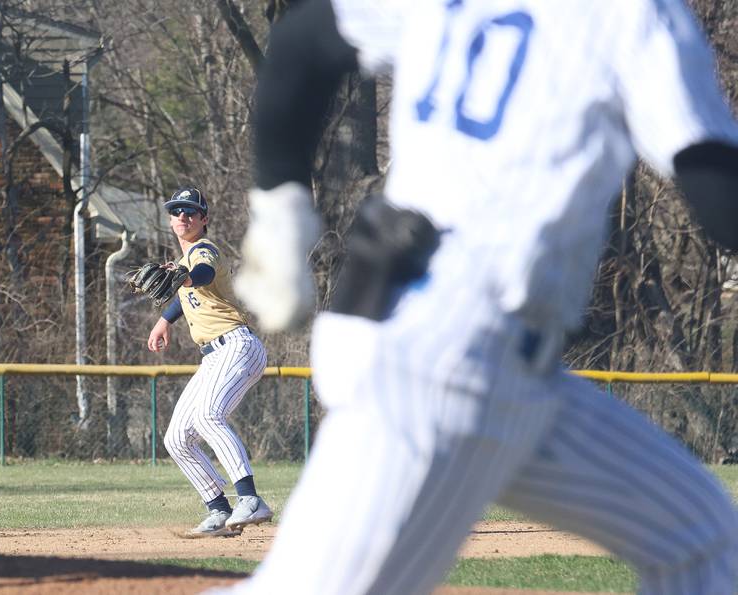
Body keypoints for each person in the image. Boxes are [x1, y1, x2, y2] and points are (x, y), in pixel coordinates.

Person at [226, 0, 738, 593]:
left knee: (705, 544)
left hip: (481, 356)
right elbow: (712, 179)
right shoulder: (632, 12)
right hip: (446, 364)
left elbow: (304, 40)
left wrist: (279, 208)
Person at [147, 186, 272, 537]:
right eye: (177, 212)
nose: (183, 217)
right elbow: (185, 292)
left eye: (190, 212)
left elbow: (201, 274)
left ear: (203, 219)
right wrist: (163, 321)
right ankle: (219, 509)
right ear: (170, 220)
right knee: (176, 438)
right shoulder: (184, 263)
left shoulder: (204, 250)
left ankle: (250, 499)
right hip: (214, 356)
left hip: (237, 345)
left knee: (207, 416)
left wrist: (183, 276)